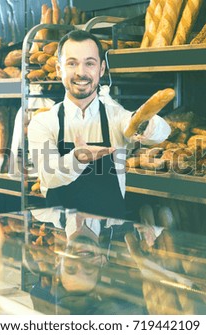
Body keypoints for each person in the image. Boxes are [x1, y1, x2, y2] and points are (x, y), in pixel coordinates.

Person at [28, 30, 170, 219]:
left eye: (89, 63)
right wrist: (78, 159)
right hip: (61, 238)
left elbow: (162, 133)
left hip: (109, 238)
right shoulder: (43, 122)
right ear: (58, 69)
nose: (81, 72)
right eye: (72, 63)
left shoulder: (117, 117)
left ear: (101, 69)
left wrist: (142, 124)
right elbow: (48, 174)